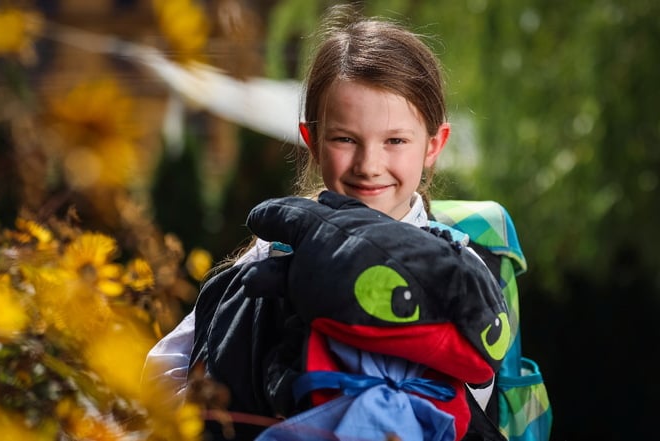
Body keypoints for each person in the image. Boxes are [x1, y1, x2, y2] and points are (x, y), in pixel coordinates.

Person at [143, 4, 507, 440]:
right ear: (312, 141)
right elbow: (162, 375)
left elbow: (467, 402)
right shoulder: (271, 254)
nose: (369, 165)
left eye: (395, 141)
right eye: (345, 139)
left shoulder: (460, 273)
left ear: (433, 145)